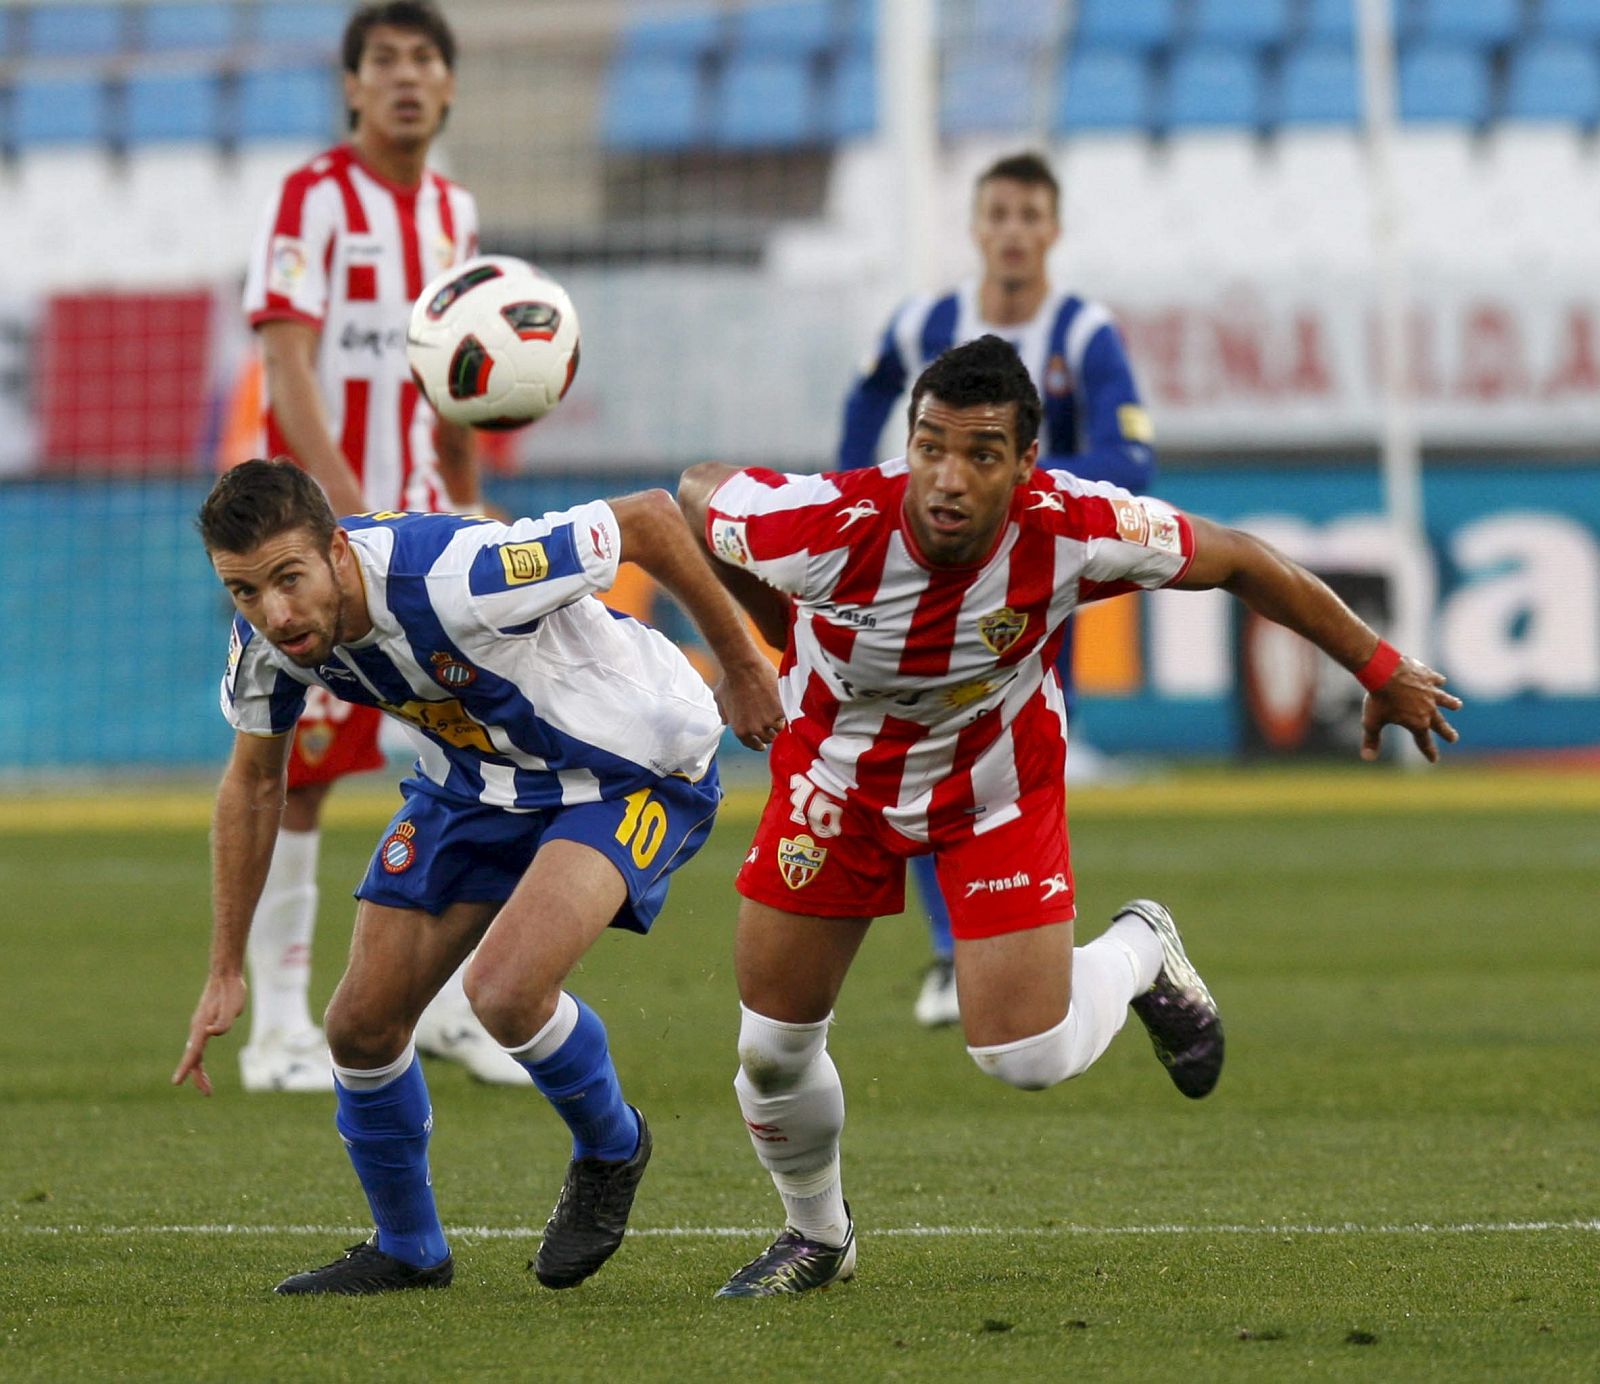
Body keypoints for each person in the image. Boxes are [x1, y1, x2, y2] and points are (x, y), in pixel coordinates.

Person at [678, 335, 1461, 1298]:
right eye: (931, 446)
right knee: (771, 1051)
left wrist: (1379, 669)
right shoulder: (827, 522)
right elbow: (697, 493)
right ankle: (818, 1237)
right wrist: (763, 641)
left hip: (993, 790)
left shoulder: (1076, 526)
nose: (949, 478)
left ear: (1025, 466)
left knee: (1025, 1054)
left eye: (981, 454)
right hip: (834, 783)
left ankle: (1140, 950)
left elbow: (1242, 561)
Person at [173, 459, 783, 1295]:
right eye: (245, 592)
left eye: (288, 578)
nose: (274, 613)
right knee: (358, 1027)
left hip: (630, 765)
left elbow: (646, 517)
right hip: (480, 778)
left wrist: (743, 666)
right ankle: (409, 1250)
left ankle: (611, 1147)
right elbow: (252, 783)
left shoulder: (459, 578)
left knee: (504, 991)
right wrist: (222, 967)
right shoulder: (266, 645)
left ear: (339, 552)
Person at [238, 2, 516, 1088]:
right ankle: (275, 1031)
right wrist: (337, 518)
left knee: (478, 747)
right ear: (352, 86)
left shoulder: (452, 210)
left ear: (448, 88)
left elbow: (457, 373)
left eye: (425, 61)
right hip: (315, 541)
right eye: (385, 62)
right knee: (297, 774)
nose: (407, 78)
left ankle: (446, 1006)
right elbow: (289, 364)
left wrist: (466, 496)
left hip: (414, 536)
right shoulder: (311, 198)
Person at [839, 151, 1157, 1029]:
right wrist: (858, 481)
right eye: (999, 215)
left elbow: (1133, 459)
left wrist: (1012, 484)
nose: (1014, 232)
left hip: (1026, 571)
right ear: (977, 227)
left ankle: (1008, 946)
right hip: (930, 564)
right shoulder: (928, 320)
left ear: (1052, 230)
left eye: (1030, 216)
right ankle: (952, 953)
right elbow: (868, 391)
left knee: (1006, 762)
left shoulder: (1083, 331)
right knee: (905, 732)